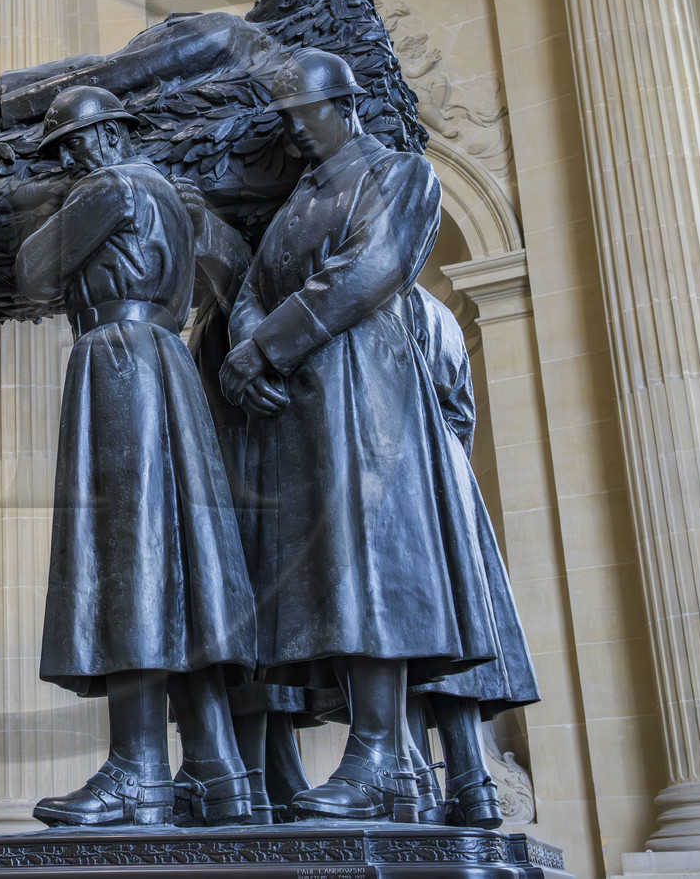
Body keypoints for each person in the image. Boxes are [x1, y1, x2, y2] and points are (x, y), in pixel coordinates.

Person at [220, 49, 499, 823]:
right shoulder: (294, 202)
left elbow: (369, 268)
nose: (295, 133)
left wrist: (266, 345)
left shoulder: (401, 175)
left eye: (302, 117)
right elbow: (252, 286)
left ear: (342, 106)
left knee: (370, 561)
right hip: (302, 407)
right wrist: (247, 351)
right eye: (286, 121)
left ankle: (379, 753)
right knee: (330, 571)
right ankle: (391, 762)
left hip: (367, 391)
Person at [14, 86, 257, 828]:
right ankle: (217, 769)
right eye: (68, 150)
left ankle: (138, 769)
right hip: (167, 364)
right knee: (180, 566)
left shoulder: (112, 185)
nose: (75, 158)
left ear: (114, 136)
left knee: (128, 559)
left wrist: (46, 206)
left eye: (81, 143)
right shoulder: (177, 197)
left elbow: (31, 268)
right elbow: (236, 262)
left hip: (118, 362)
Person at [403, 285, 539, 827]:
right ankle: (470, 782)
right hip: (449, 484)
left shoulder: (383, 304)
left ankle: (413, 784)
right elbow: (462, 414)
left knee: (404, 642)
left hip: (404, 479)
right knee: (447, 637)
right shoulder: (439, 314)